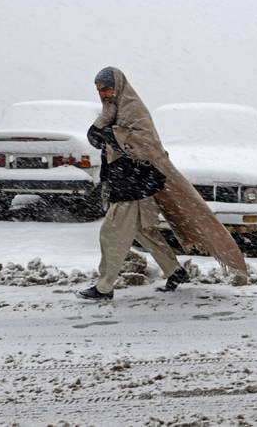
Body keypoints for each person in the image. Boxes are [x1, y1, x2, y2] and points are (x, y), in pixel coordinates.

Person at [76, 68, 190, 300]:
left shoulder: (132, 108)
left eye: (107, 88)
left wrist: (110, 136)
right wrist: (101, 131)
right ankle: (175, 271)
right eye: (99, 89)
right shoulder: (114, 108)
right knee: (144, 231)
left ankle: (104, 288)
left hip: (133, 182)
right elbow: (102, 134)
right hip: (128, 181)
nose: (103, 93)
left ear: (118, 86)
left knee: (110, 234)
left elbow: (144, 142)